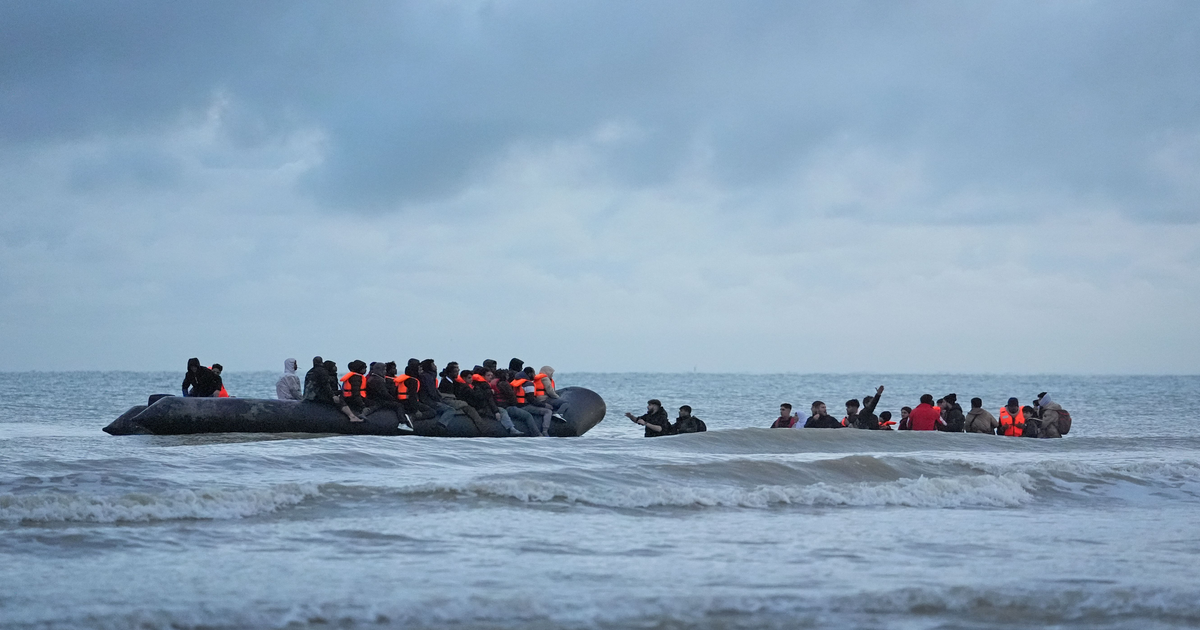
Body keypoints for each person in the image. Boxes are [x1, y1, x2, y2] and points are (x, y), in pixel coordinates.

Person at [303, 356, 362, 423]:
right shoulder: (322, 371)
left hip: (309, 396)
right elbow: (325, 385)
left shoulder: (310, 371)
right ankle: (351, 416)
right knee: (339, 400)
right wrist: (333, 396)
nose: (336, 367)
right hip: (317, 397)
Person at [492, 369, 543, 436]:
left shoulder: (494, 383)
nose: (508, 376)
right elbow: (511, 396)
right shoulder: (504, 384)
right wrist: (514, 404)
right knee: (528, 416)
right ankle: (537, 434)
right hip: (507, 406)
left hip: (499, 405)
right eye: (507, 375)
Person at [414, 360, 459, 427]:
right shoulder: (427, 377)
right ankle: (441, 425)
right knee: (450, 410)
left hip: (427, 400)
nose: (435, 366)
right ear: (429, 367)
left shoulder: (427, 376)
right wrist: (438, 400)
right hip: (428, 401)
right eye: (433, 365)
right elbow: (431, 392)